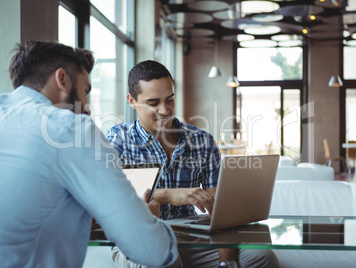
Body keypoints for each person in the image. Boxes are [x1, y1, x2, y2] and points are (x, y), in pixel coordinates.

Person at [0, 41, 178, 268]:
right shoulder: (71, 128)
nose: (87, 105)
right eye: (85, 91)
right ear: (61, 79)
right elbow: (154, 251)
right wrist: (148, 215)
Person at [106, 60, 279, 268]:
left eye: (169, 100)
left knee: (263, 258)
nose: (164, 110)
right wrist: (169, 195)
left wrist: (228, 262)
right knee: (160, 262)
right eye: (153, 103)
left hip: (190, 239)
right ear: (132, 101)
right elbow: (110, 201)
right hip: (138, 237)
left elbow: (221, 215)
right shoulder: (119, 140)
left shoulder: (202, 141)